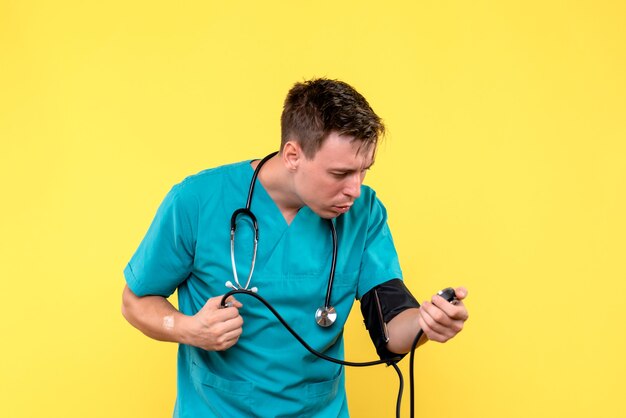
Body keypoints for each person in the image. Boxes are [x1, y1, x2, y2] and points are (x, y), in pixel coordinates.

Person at [121, 78, 469, 417]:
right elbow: (135, 300)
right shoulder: (197, 201)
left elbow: (392, 328)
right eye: (340, 174)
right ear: (292, 155)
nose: (356, 190)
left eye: (364, 171)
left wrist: (427, 324)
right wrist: (189, 329)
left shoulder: (364, 214)